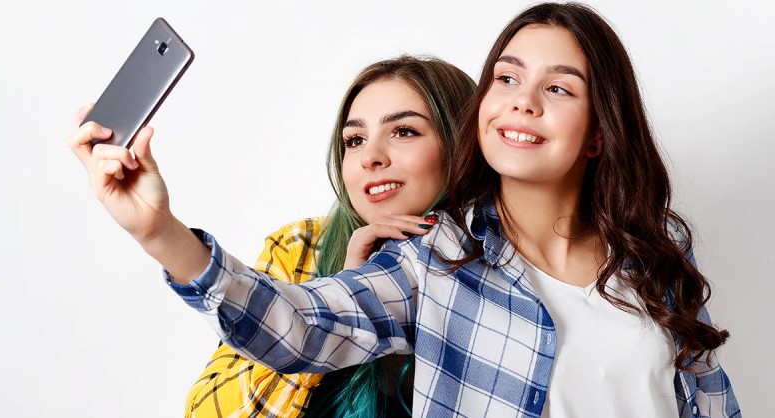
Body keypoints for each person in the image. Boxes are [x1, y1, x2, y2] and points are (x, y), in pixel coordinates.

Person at [72, 3, 741, 417]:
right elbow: (295, 326)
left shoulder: (659, 268)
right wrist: (159, 231)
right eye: (505, 78)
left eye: (558, 87)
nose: (522, 100)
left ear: (600, 131)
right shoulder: (436, 260)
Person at [68, 56, 475, 418]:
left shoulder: (501, 263)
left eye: (403, 131)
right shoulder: (303, 247)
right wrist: (345, 293)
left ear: (461, 143)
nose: (370, 157)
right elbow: (211, 411)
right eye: (354, 140)